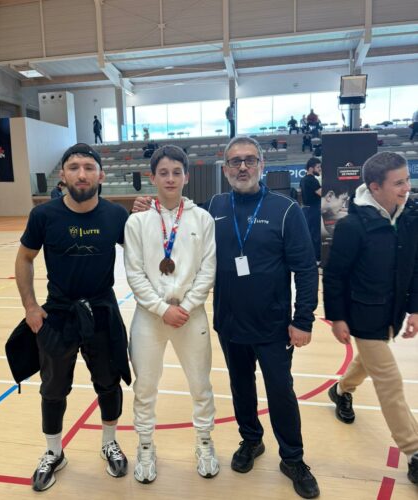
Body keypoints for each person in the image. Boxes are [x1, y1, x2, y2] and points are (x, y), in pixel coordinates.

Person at [133, 137, 320, 499]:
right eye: (235, 162)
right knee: (240, 386)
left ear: (261, 165)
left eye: (249, 160)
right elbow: (178, 217)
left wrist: (303, 320)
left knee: (280, 391)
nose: (242, 167)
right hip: (230, 322)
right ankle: (251, 440)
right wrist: (149, 205)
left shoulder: (285, 210)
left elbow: (306, 270)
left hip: (273, 324)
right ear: (226, 169)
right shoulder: (215, 207)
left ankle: (293, 458)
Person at [14, 143, 131, 492]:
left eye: (89, 167)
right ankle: (54, 452)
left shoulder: (116, 215)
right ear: (62, 175)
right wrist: (31, 307)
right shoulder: (44, 215)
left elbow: (143, 254)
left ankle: (109, 442)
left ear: (101, 175)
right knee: (52, 389)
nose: (82, 174)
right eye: (74, 167)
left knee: (108, 382)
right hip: (59, 314)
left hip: (102, 311)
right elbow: (24, 258)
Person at [124, 145, 218, 484]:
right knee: (145, 386)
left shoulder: (202, 218)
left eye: (177, 172)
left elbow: (208, 270)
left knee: (200, 383)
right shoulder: (137, 221)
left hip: (191, 316)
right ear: (152, 177)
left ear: (186, 177)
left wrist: (186, 307)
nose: (170, 178)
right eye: (163, 173)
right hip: (150, 317)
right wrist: (163, 309)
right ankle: (145, 445)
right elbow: (134, 273)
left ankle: (204, 441)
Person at [323, 151, 418, 486]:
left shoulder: (410, 217)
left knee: (368, 361)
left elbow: (415, 265)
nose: (407, 188)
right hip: (362, 314)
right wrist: (337, 317)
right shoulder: (352, 226)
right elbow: (334, 275)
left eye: (407, 180)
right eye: (398, 183)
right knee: (389, 380)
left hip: (393, 313)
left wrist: (415, 308)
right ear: (375, 187)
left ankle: (341, 390)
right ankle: (414, 450)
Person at [300, 158, 322, 263]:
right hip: (313, 210)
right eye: (318, 167)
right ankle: (317, 259)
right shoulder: (312, 180)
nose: (320, 169)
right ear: (310, 168)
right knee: (316, 234)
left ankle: (311, 258)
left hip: (306, 210)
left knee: (310, 234)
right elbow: (322, 193)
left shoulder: (303, 180)